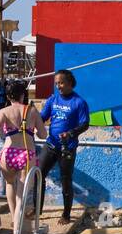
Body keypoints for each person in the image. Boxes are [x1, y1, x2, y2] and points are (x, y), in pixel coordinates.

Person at [0, 80, 43, 234]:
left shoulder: (3, 112)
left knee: (10, 184)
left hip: (7, 153)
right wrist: (33, 130)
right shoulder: (31, 111)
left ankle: (14, 218)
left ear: (8, 96)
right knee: (21, 195)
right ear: (23, 94)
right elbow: (43, 135)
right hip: (27, 154)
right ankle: (17, 231)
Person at [37, 69, 90, 224]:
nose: (58, 86)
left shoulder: (79, 102)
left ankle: (66, 215)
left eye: (60, 83)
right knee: (38, 174)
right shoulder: (52, 100)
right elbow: (42, 117)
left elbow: (85, 124)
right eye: (56, 83)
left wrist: (70, 134)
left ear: (69, 83)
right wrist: (31, 120)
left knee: (66, 180)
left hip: (68, 148)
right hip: (51, 144)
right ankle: (37, 209)